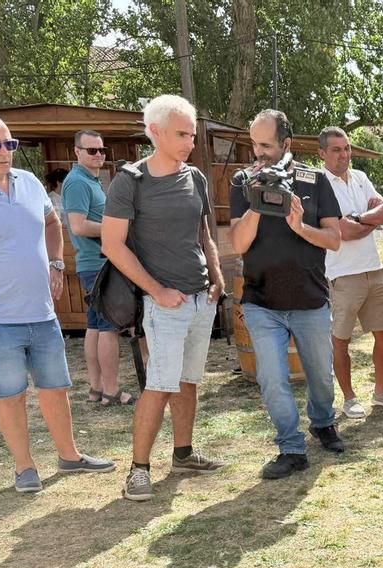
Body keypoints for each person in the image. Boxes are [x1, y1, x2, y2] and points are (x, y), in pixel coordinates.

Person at [0, 110, 114, 493]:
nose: (5, 152)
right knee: (10, 395)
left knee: (56, 388)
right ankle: (24, 467)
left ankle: (69, 456)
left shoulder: (28, 182)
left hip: (42, 314)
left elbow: (52, 223)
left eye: (9, 143)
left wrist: (57, 262)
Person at [101, 95, 226, 501]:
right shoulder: (130, 181)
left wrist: (217, 277)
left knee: (187, 381)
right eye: (181, 134)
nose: (190, 142)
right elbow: (112, 245)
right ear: (154, 132)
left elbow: (204, 234)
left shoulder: (197, 178)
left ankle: (183, 454)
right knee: (159, 385)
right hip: (163, 304)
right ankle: (138, 471)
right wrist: (156, 290)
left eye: (192, 134)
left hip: (200, 299)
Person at [227, 110, 346, 479]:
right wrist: (259, 201)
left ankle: (323, 423)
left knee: (320, 376)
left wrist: (300, 227)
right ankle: (291, 447)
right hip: (261, 302)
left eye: (266, 145)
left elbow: (334, 239)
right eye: (254, 144)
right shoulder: (242, 181)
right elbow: (238, 243)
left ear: (287, 144)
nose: (258, 152)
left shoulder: (315, 181)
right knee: (273, 378)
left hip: (310, 299)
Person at [318, 126, 383, 419]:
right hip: (341, 275)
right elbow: (344, 232)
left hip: (375, 270)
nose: (344, 155)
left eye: (347, 148)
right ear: (322, 153)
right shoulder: (319, 185)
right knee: (341, 340)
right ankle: (349, 398)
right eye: (336, 150)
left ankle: (380, 393)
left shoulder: (361, 177)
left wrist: (357, 219)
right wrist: (368, 221)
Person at [64, 129, 136, 406]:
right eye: (91, 150)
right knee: (109, 328)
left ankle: (96, 389)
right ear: (77, 151)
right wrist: (117, 228)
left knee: (95, 327)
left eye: (101, 150)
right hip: (98, 265)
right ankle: (111, 391)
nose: (98, 155)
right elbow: (79, 226)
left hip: (95, 264)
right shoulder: (77, 182)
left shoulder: (89, 180)